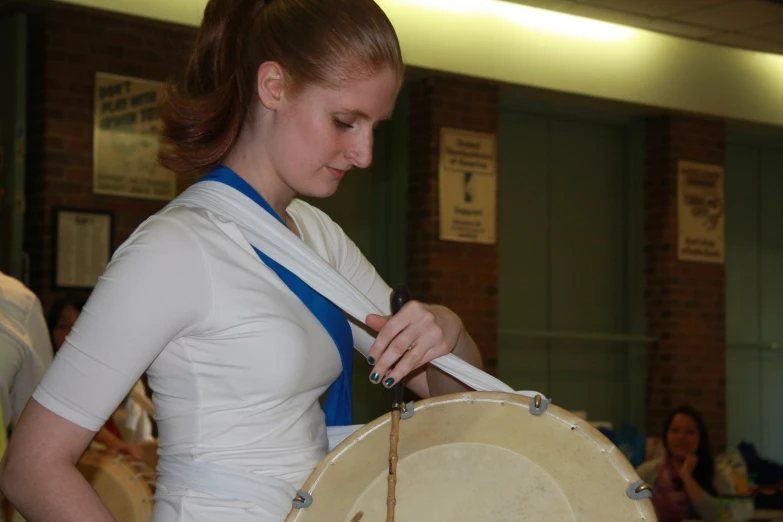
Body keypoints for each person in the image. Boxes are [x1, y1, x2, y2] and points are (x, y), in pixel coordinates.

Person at [0, 1, 483, 521]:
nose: (364, 154)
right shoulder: (175, 248)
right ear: (273, 86)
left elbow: (455, 401)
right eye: (345, 121)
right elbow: (32, 466)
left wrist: (447, 329)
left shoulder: (320, 238)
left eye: (375, 127)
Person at [48, 297, 145, 461]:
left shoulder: (120, 375)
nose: (71, 333)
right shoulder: (46, 374)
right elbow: (71, 414)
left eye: (80, 326)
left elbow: (141, 433)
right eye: (63, 326)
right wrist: (113, 443)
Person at [637, 405, 734, 522]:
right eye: (675, 431)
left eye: (690, 432)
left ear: (700, 438)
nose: (681, 437)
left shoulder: (719, 477)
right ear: (666, 436)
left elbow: (727, 518)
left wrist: (687, 477)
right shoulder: (646, 474)